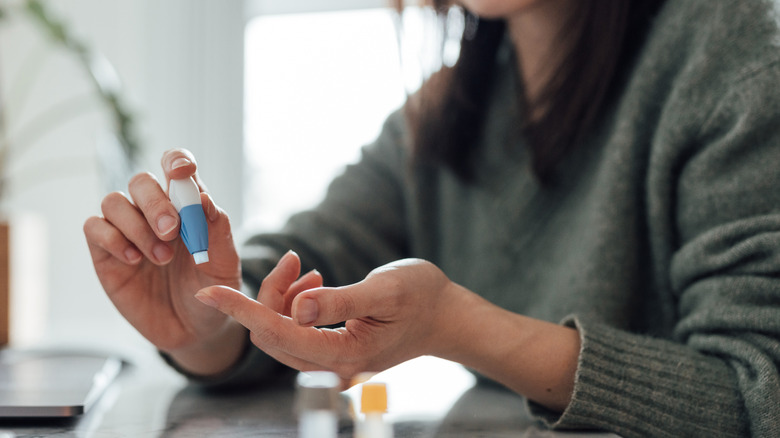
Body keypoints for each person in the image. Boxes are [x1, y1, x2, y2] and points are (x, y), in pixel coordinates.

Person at [84, 0, 780, 436]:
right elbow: (306, 258)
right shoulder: (450, 109)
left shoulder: (734, 52)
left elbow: (761, 393)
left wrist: (461, 327)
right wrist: (208, 322)